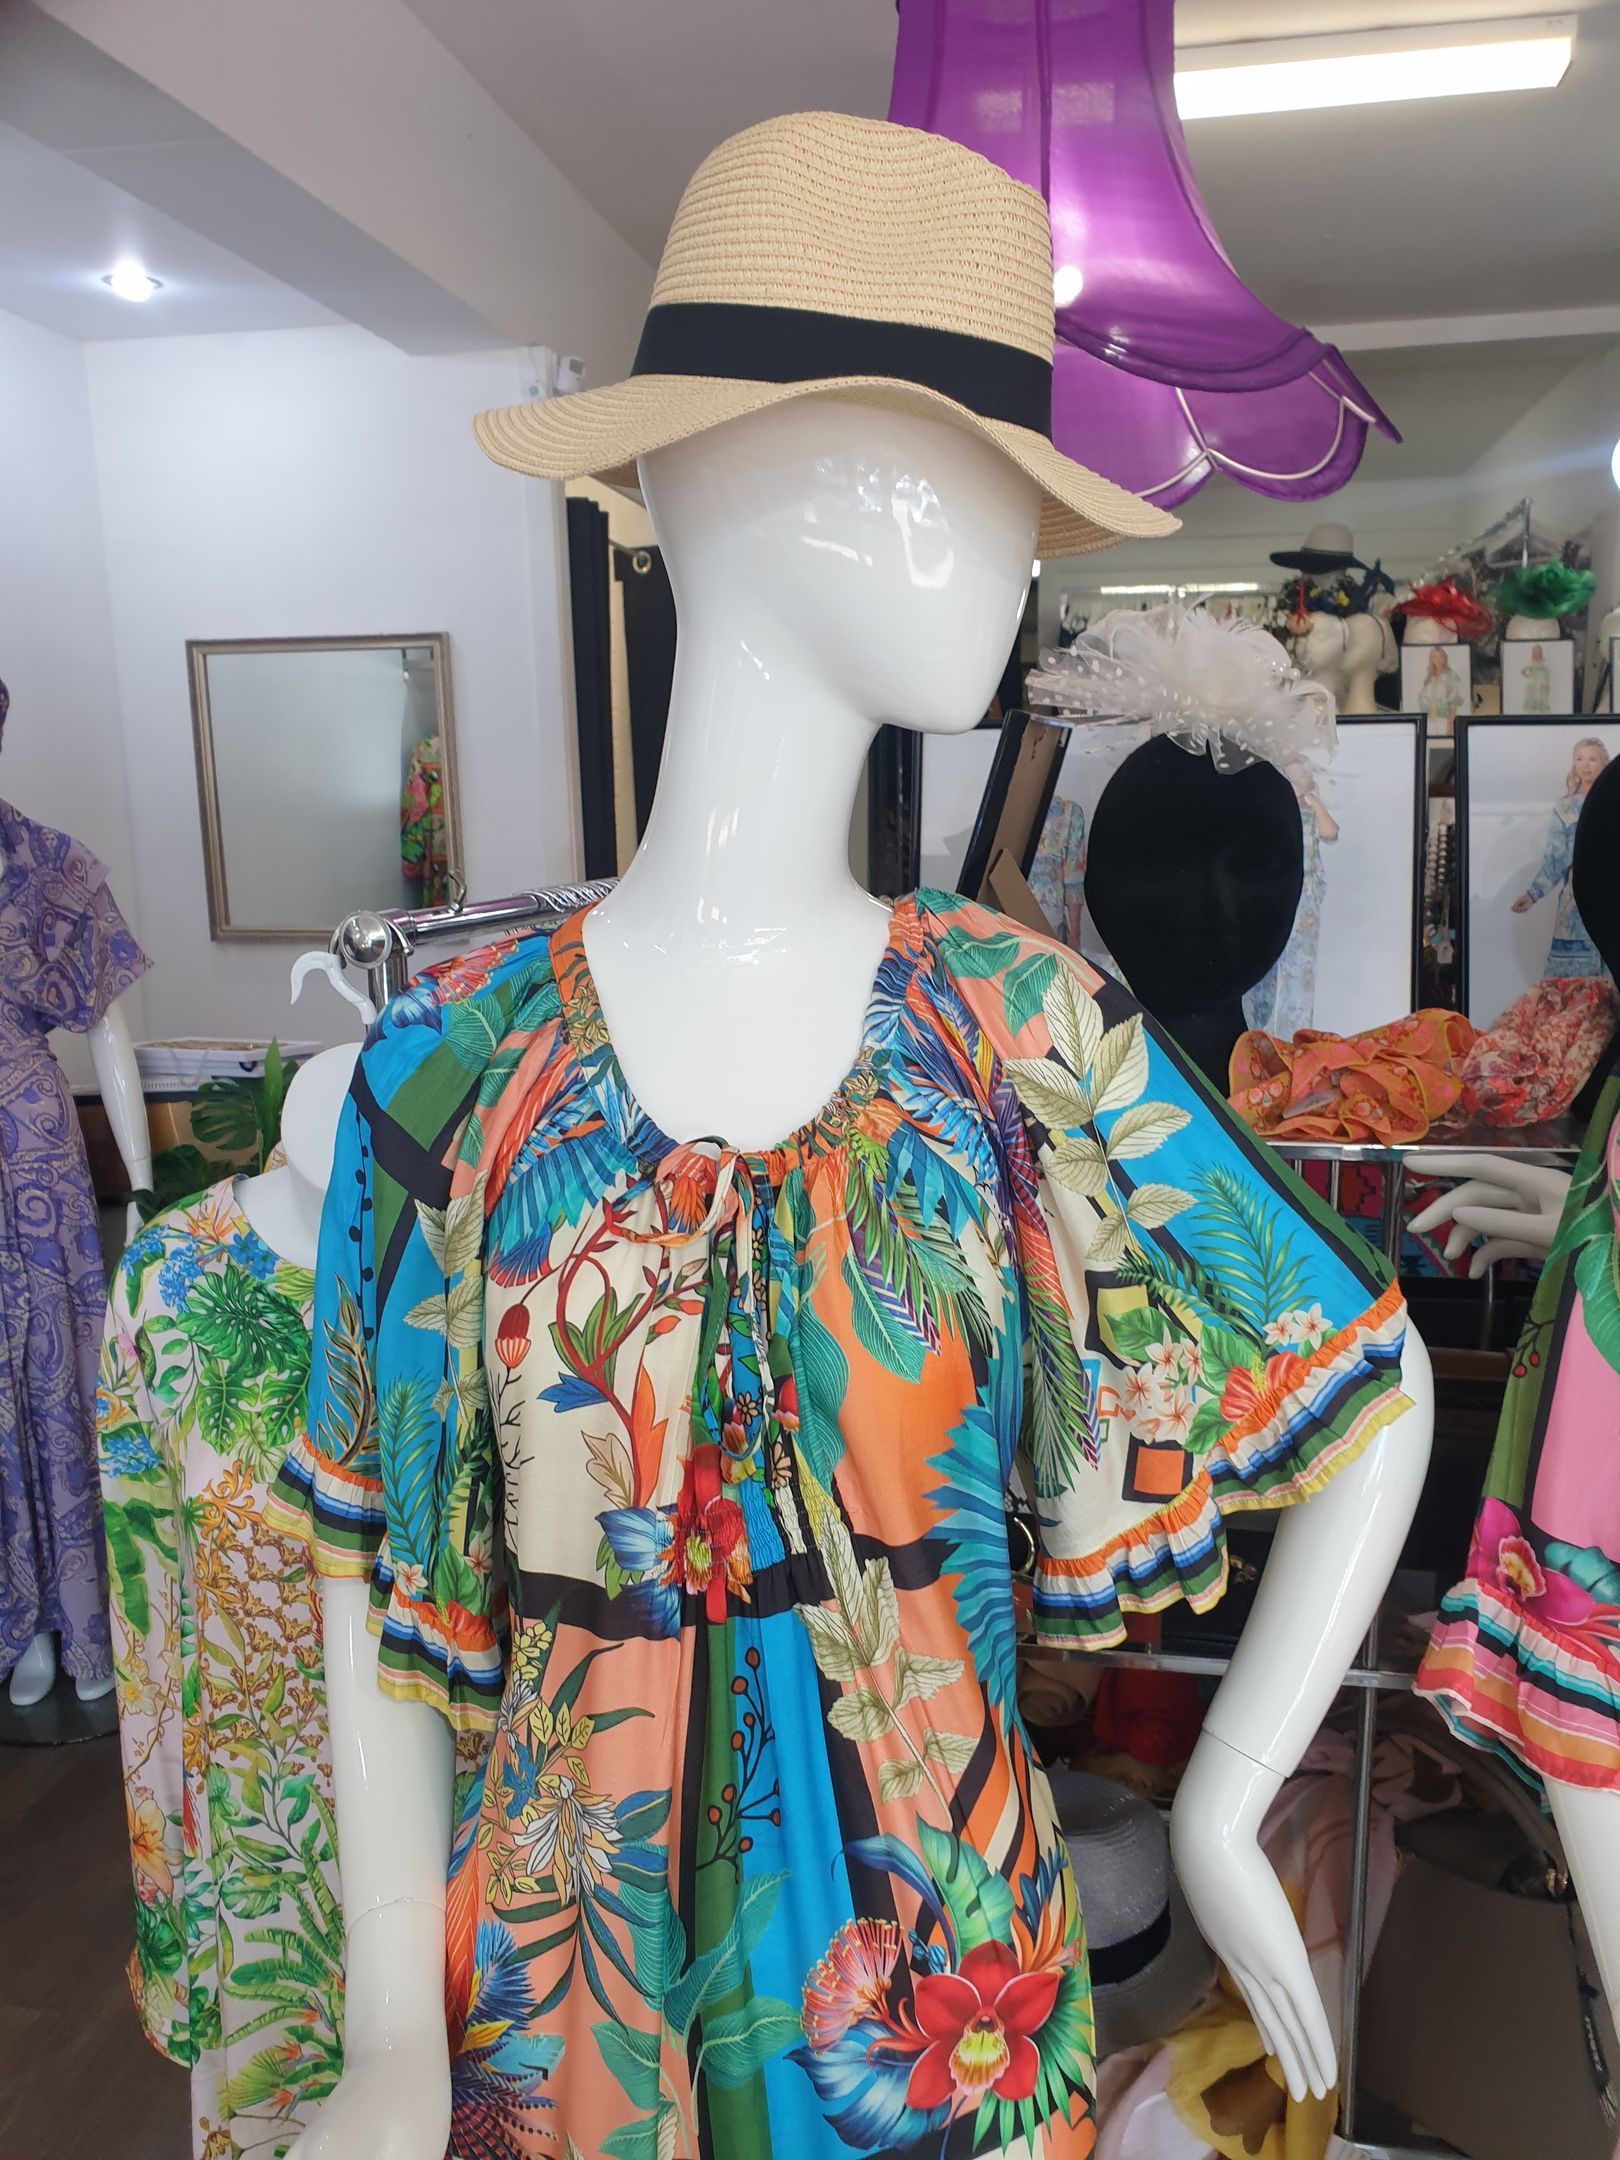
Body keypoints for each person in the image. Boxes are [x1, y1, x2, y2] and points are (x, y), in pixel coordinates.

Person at [1245, 764, 1339, 1039]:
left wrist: (1312, 799)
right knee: (1264, 972)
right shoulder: (1269, 811)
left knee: (1299, 975)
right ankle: (1259, 1036)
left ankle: (1292, 1038)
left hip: (1303, 902)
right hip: (1272, 897)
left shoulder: (1309, 811)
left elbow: (1330, 832)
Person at [1511, 737, 1612, 978]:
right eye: (1580, 759)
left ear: (1604, 763)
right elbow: (1555, 858)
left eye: (1592, 759)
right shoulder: (1565, 808)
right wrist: (1532, 894)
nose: (1586, 765)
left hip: (1612, 894)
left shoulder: (1613, 803)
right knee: (1570, 981)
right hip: (1576, 900)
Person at [1029, 790, 1087, 946]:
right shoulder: (1006, 817)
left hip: (1049, 933)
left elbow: (1074, 879)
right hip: (1011, 928)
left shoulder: (1069, 813)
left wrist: (1075, 934)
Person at [1417, 643, 1466, 734]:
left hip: (1444, 722)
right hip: (1429, 721)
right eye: (1435, 657)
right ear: (1431, 659)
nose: (1438, 660)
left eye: (1441, 657)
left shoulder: (1451, 677)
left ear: (1445, 658)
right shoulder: (1429, 678)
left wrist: (1450, 728)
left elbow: (1453, 705)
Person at [1519, 642, 1551, 715]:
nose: (1536, 654)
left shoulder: (1544, 662)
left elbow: (1547, 673)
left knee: (1541, 695)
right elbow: (1523, 670)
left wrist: (1547, 683)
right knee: (1532, 695)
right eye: (1535, 652)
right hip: (1533, 682)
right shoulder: (1531, 662)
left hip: (1541, 682)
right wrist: (1528, 676)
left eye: (1538, 652)